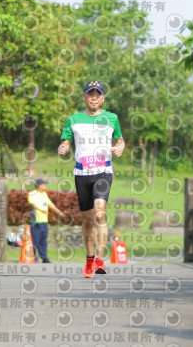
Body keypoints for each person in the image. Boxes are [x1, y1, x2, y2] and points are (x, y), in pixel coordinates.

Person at [58, 80, 124, 278]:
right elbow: (65, 141)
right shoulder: (73, 119)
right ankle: (89, 257)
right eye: (90, 94)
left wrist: (120, 146)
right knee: (87, 219)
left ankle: (100, 259)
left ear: (103, 98)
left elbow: (120, 140)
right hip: (82, 173)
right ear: (84, 97)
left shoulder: (112, 118)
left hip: (103, 171)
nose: (94, 97)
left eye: (98, 94)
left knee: (100, 213)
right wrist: (64, 147)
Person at [27, 179, 65, 263]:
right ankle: (34, 257)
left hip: (44, 221)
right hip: (35, 221)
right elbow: (33, 204)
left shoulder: (44, 194)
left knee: (43, 240)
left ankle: (44, 257)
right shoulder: (32, 194)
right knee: (35, 240)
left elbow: (50, 204)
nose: (45, 186)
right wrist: (42, 210)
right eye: (44, 184)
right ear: (39, 185)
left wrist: (58, 212)